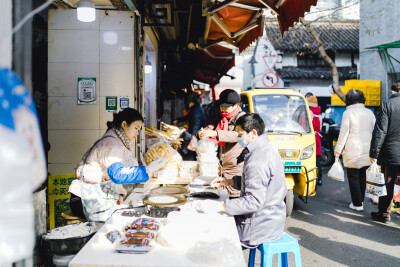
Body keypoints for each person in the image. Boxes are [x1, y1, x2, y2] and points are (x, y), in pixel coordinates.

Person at [69, 108, 166, 219]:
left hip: (89, 195)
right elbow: (117, 174)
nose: (137, 133)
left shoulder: (116, 140)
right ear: (124, 124)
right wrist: (147, 169)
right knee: (120, 218)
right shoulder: (113, 144)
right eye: (136, 128)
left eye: (139, 130)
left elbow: (109, 174)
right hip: (83, 199)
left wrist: (119, 194)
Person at [211, 113, 287, 249]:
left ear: (253, 133)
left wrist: (223, 206)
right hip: (273, 219)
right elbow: (261, 184)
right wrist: (230, 181)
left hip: (259, 227)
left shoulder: (257, 160)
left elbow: (253, 202)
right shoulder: (269, 147)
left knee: (214, 238)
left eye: (240, 135)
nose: (238, 138)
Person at [198, 89, 246, 197]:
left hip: (235, 168)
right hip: (220, 167)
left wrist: (216, 133)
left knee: (235, 197)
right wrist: (201, 133)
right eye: (221, 106)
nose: (223, 109)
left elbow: (238, 135)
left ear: (236, 105)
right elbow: (209, 127)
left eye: (226, 106)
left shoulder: (242, 118)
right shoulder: (220, 117)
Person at [334, 90, 375, 211]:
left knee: (353, 177)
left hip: (353, 148)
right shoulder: (369, 112)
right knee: (362, 176)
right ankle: (360, 201)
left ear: (349, 100)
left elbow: (343, 133)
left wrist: (338, 150)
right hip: (367, 148)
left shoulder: (348, 113)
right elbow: (375, 130)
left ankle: (357, 204)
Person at [369, 80, 400, 223]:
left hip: (390, 152)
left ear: (392, 91)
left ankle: (384, 214)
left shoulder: (387, 104)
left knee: (388, 182)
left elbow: (380, 131)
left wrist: (374, 154)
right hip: (392, 150)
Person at [173, 94, 205, 159]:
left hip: (197, 132)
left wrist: (194, 133)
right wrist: (178, 120)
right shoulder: (195, 108)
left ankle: (195, 159)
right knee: (194, 147)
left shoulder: (196, 109)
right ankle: (194, 158)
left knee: (195, 147)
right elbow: (188, 117)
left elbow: (197, 122)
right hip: (196, 131)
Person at [307, 95, 323, 185]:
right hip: (317, 136)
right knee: (317, 160)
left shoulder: (309, 112)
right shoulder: (319, 113)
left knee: (310, 159)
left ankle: (311, 178)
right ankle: (319, 178)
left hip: (310, 137)